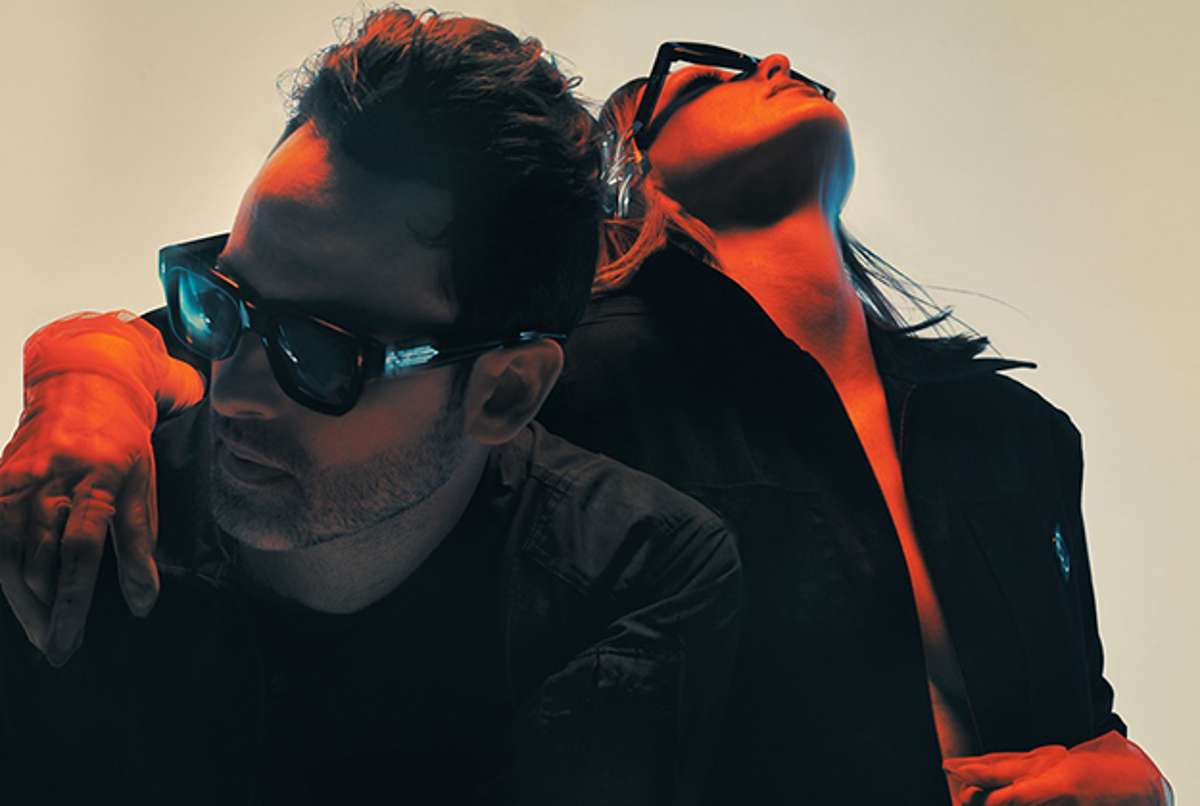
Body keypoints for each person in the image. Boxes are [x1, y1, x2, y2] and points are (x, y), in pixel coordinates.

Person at [0, 37, 1171, 806]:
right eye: (696, 76)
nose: (768, 61)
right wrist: (82, 381)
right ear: (633, 165)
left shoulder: (1013, 429)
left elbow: (1086, 718)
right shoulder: (570, 363)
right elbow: (207, 338)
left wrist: (1134, 775)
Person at [0, 16, 742, 805]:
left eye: (321, 353)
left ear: (506, 392)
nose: (235, 391)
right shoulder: (83, 528)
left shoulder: (631, 574)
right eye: (223, 302)